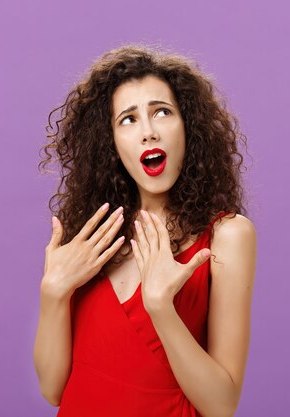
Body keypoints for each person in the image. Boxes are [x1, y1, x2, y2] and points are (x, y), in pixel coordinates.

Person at [33, 43, 257, 417]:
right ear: (111, 143)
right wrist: (53, 292)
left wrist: (160, 308)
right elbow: (53, 389)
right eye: (128, 119)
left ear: (188, 127)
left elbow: (222, 405)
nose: (148, 132)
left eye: (162, 112)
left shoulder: (227, 235)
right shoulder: (91, 236)